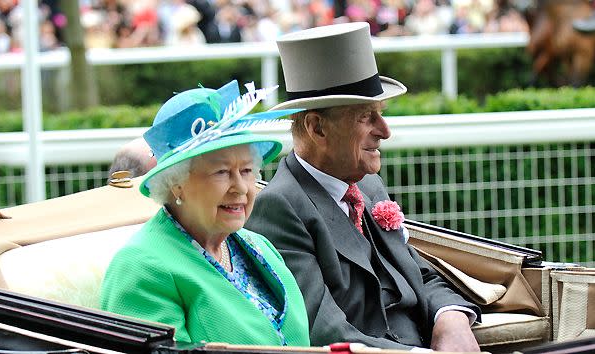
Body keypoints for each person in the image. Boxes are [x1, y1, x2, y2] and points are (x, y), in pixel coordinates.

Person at [245, 22, 481, 352]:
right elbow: (322, 331)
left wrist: (450, 318)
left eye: (380, 114)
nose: (385, 131)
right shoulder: (280, 207)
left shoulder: (367, 185)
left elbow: (418, 274)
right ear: (317, 128)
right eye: (366, 117)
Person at [100, 80, 310, 346]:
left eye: (246, 171)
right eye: (221, 172)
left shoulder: (261, 246)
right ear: (176, 183)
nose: (241, 188)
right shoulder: (142, 269)